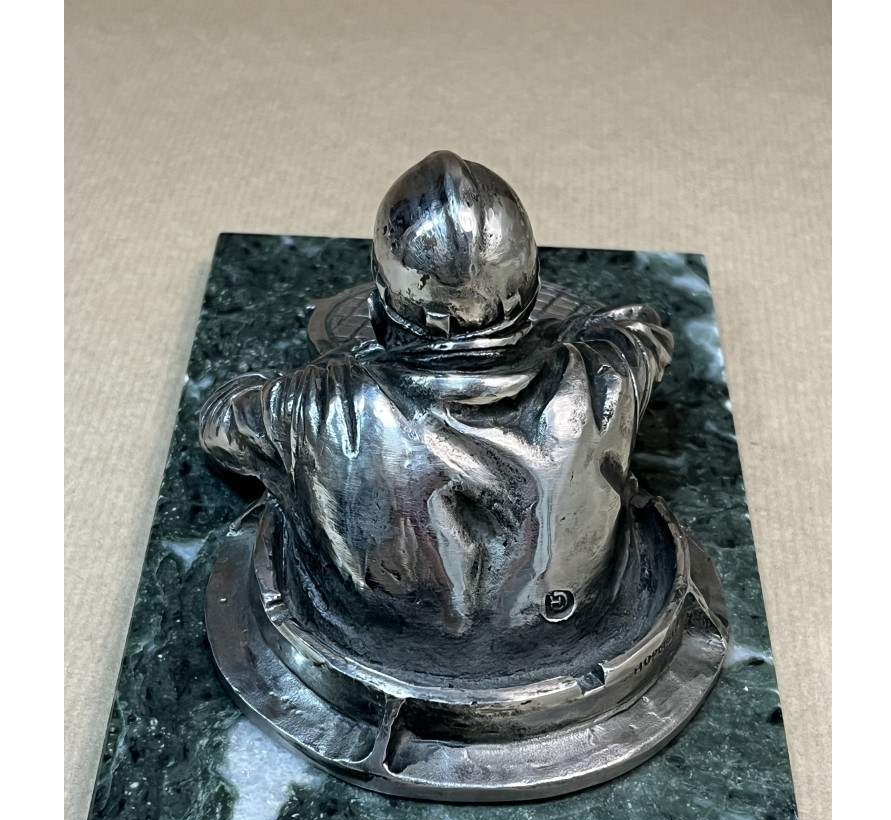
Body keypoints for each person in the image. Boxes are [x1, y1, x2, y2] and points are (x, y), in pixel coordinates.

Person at [200, 152, 673, 640]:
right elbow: (643, 328)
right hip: (572, 640)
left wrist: (350, 364)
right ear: (531, 294)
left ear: (378, 309)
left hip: (370, 644)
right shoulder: (605, 378)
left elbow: (220, 423)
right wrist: (546, 342)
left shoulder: (319, 404)